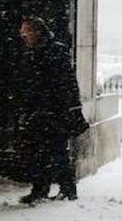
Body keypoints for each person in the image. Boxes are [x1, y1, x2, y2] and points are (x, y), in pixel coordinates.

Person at [16, 15, 82, 204]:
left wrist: (66, 107)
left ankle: (67, 190)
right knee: (38, 153)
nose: (24, 35)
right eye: (23, 31)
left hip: (53, 110)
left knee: (56, 152)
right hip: (37, 110)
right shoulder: (31, 52)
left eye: (27, 31)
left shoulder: (55, 51)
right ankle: (41, 189)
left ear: (37, 31)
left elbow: (66, 83)